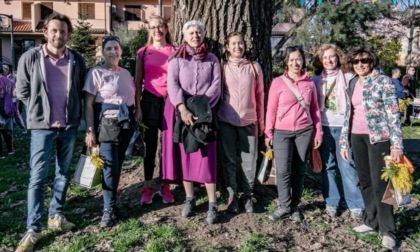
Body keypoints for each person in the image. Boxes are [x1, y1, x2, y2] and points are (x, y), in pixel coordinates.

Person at [15, 13, 86, 252]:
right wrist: (37, 111)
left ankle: (55, 215)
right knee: (37, 177)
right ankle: (33, 228)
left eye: (63, 31)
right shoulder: (30, 57)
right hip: (42, 128)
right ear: (45, 32)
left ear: (69, 34)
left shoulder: (76, 59)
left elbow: (80, 89)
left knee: (63, 173)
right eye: (54, 30)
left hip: (69, 126)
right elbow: (22, 90)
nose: (59, 35)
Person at [339, 47, 403, 250]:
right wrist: (344, 141)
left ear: (372, 61)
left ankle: (388, 230)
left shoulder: (383, 81)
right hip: (356, 137)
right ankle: (371, 220)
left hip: (379, 139)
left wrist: (397, 145)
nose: (360, 64)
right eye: (356, 61)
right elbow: (348, 113)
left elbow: (394, 115)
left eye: (364, 60)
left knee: (382, 184)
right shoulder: (352, 82)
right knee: (365, 181)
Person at [164, 20, 221, 224]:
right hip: (184, 113)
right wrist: (183, 108)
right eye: (191, 32)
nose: (195, 35)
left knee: (207, 158)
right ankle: (190, 198)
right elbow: (173, 84)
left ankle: (213, 203)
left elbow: (216, 85)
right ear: (184, 36)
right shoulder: (176, 60)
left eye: (198, 32)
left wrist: (203, 109)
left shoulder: (213, 59)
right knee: (187, 156)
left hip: (205, 114)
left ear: (204, 34)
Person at [265, 45, 322, 222]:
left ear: (303, 60)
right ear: (286, 62)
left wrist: (318, 132)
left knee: (298, 170)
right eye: (291, 60)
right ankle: (284, 206)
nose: (295, 63)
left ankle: (295, 205)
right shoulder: (278, 82)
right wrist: (269, 133)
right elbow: (271, 109)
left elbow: (315, 110)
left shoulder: (310, 83)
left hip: (304, 131)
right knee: (282, 171)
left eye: (298, 59)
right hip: (282, 132)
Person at [84, 36, 136, 227]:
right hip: (106, 125)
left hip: (125, 125)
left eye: (116, 48)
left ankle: (113, 206)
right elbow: (88, 104)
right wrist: (90, 131)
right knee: (108, 168)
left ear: (121, 50)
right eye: (108, 49)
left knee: (117, 166)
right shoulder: (96, 73)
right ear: (103, 52)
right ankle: (107, 210)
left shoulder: (126, 74)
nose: (113, 52)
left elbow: (131, 97)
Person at [312, 44, 364, 219]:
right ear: (320, 60)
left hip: (343, 126)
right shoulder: (316, 79)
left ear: (338, 57)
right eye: (325, 57)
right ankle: (332, 201)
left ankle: (356, 204)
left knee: (347, 165)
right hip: (324, 127)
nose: (328, 60)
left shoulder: (349, 77)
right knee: (328, 166)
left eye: (332, 56)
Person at [217, 32, 264, 214]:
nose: (238, 47)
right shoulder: (222, 67)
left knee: (249, 161)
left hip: (249, 120)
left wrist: (261, 121)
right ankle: (232, 196)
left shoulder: (254, 67)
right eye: (234, 44)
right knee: (228, 160)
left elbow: (260, 95)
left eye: (241, 43)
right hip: (226, 120)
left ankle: (248, 195)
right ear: (227, 47)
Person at [135, 15, 176, 205]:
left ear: (166, 28)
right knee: (150, 147)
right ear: (148, 30)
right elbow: (137, 82)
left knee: (168, 146)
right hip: (149, 102)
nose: (157, 30)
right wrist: (137, 107)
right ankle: (147, 187)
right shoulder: (143, 52)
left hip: (170, 102)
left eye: (160, 26)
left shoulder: (175, 51)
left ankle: (166, 185)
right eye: (153, 27)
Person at [0, 73, 14, 158]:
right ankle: (10, 150)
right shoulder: (8, 80)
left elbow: (1, 94)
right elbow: (12, 93)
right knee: (7, 129)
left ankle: (0, 153)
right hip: (8, 105)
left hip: (1, 105)